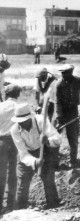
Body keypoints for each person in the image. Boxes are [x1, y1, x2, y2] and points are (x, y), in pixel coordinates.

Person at [10, 103, 62, 209]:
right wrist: (35, 162)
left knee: (48, 179)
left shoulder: (41, 121)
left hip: (43, 150)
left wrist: (48, 141)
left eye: (24, 121)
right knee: (23, 182)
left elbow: (58, 139)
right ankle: (20, 208)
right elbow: (23, 153)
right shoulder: (14, 130)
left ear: (30, 118)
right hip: (26, 155)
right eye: (19, 122)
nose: (22, 124)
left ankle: (53, 206)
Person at [56, 64, 80, 168]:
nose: (63, 75)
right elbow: (57, 102)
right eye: (62, 73)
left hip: (73, 111)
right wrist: (59, 118)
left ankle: (73, 160)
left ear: (71, 72)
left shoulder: (79, 81)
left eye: (65, 73)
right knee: (56, 136)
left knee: (73, 136)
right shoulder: (59, 84)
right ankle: (55, 160)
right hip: (62, 111)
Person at [0, 84, 21, 213]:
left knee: (0, 174)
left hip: (1, 141)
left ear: (5, 94)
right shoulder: (21, 107)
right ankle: (11, 204)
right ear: (18, 95)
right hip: (15, 142)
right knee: (13, 173)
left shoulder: (1, 106)